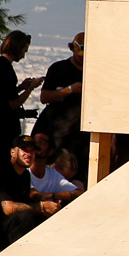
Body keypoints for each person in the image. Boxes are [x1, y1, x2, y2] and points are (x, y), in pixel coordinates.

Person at [0, 30, 41, 164]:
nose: (24, 55)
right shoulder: (5, 69)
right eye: (24, 50)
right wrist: (30, 88)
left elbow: (1, 95)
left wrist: (20, 88)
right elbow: (12, 104)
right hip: (3, 130)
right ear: (18, 48)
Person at [36, 32, 86, 179]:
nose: (82, 58)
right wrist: (69, 90)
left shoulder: (93, 71)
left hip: (84, 136)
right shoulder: (59, 69)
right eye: (79, 54)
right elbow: (44, 97)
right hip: (61, 134)